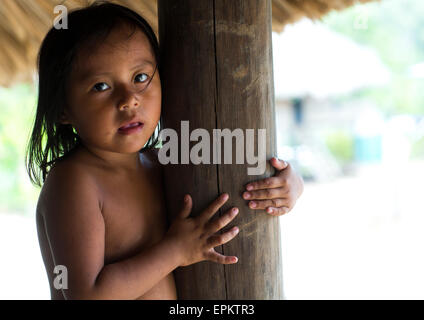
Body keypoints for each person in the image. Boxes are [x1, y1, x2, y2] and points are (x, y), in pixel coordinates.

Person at [25, 2, 304, 300]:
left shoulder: (163, 162)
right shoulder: (74, 181)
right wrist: (176, 250)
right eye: (101, 86)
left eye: (140, 77)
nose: (129, 100)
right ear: (63, 108)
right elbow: (86, 295)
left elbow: (246, 174)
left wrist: (289, 185)